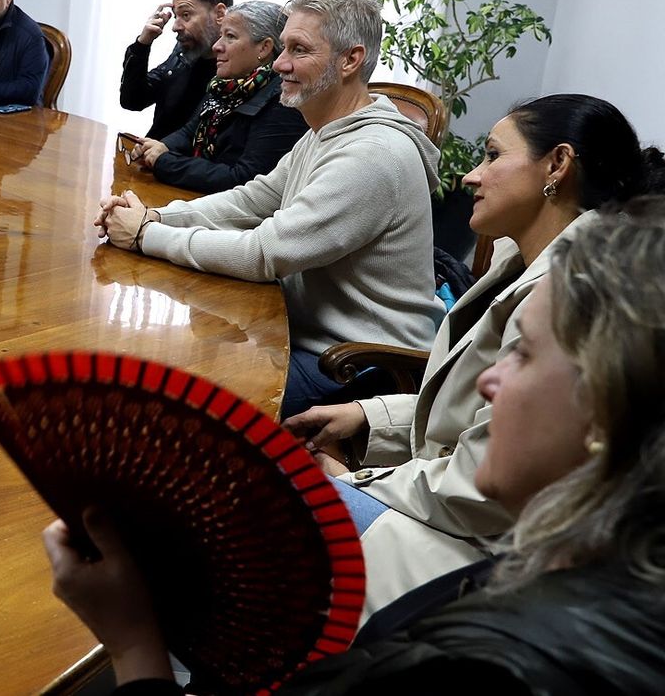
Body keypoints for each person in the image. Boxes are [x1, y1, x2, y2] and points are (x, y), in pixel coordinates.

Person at [45, 198, 665, 694]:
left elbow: (460, 472)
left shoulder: (484, 662)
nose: (490, 379)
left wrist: (133, 647)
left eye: (523, 354)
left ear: (609, 406)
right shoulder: (605, 576)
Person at [282, 94, 665, 621]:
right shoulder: (519, 258)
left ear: (557, 164)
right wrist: (371, 417)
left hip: (478, 548)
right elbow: (469, 408)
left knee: (264, 508)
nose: (470, 175)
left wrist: (349, 483)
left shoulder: (572, 290)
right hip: (447, 502)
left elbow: (480, 484)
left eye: (490, 155)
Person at [96, 0, 440, 415]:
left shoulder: (372, 155)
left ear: (350, 60)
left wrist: (146, 235)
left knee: (181, 409)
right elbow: (250, 200)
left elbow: (264, 253)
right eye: (282, 48)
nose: (279, 64)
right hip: (308, 335)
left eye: (298, 50)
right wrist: (158, 215)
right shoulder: (325, 133)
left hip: (358, 365)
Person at [122, 0, 308, 193]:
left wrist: (164, 161)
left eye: (230, 37)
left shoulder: (284, 99)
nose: (217, 46)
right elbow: (189, 132)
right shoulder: (224, 86)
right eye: (220, 36)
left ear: (264, 48)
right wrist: (158, 148)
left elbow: (245, 179)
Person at [120, 0, 230, 140]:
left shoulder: (236, 69)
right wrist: (142, 45)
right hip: (150, 157)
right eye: (175, 17)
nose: (175, 27)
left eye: (186, 15)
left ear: (220, 14)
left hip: (179, 162)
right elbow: (133, 100)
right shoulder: (182, 53)